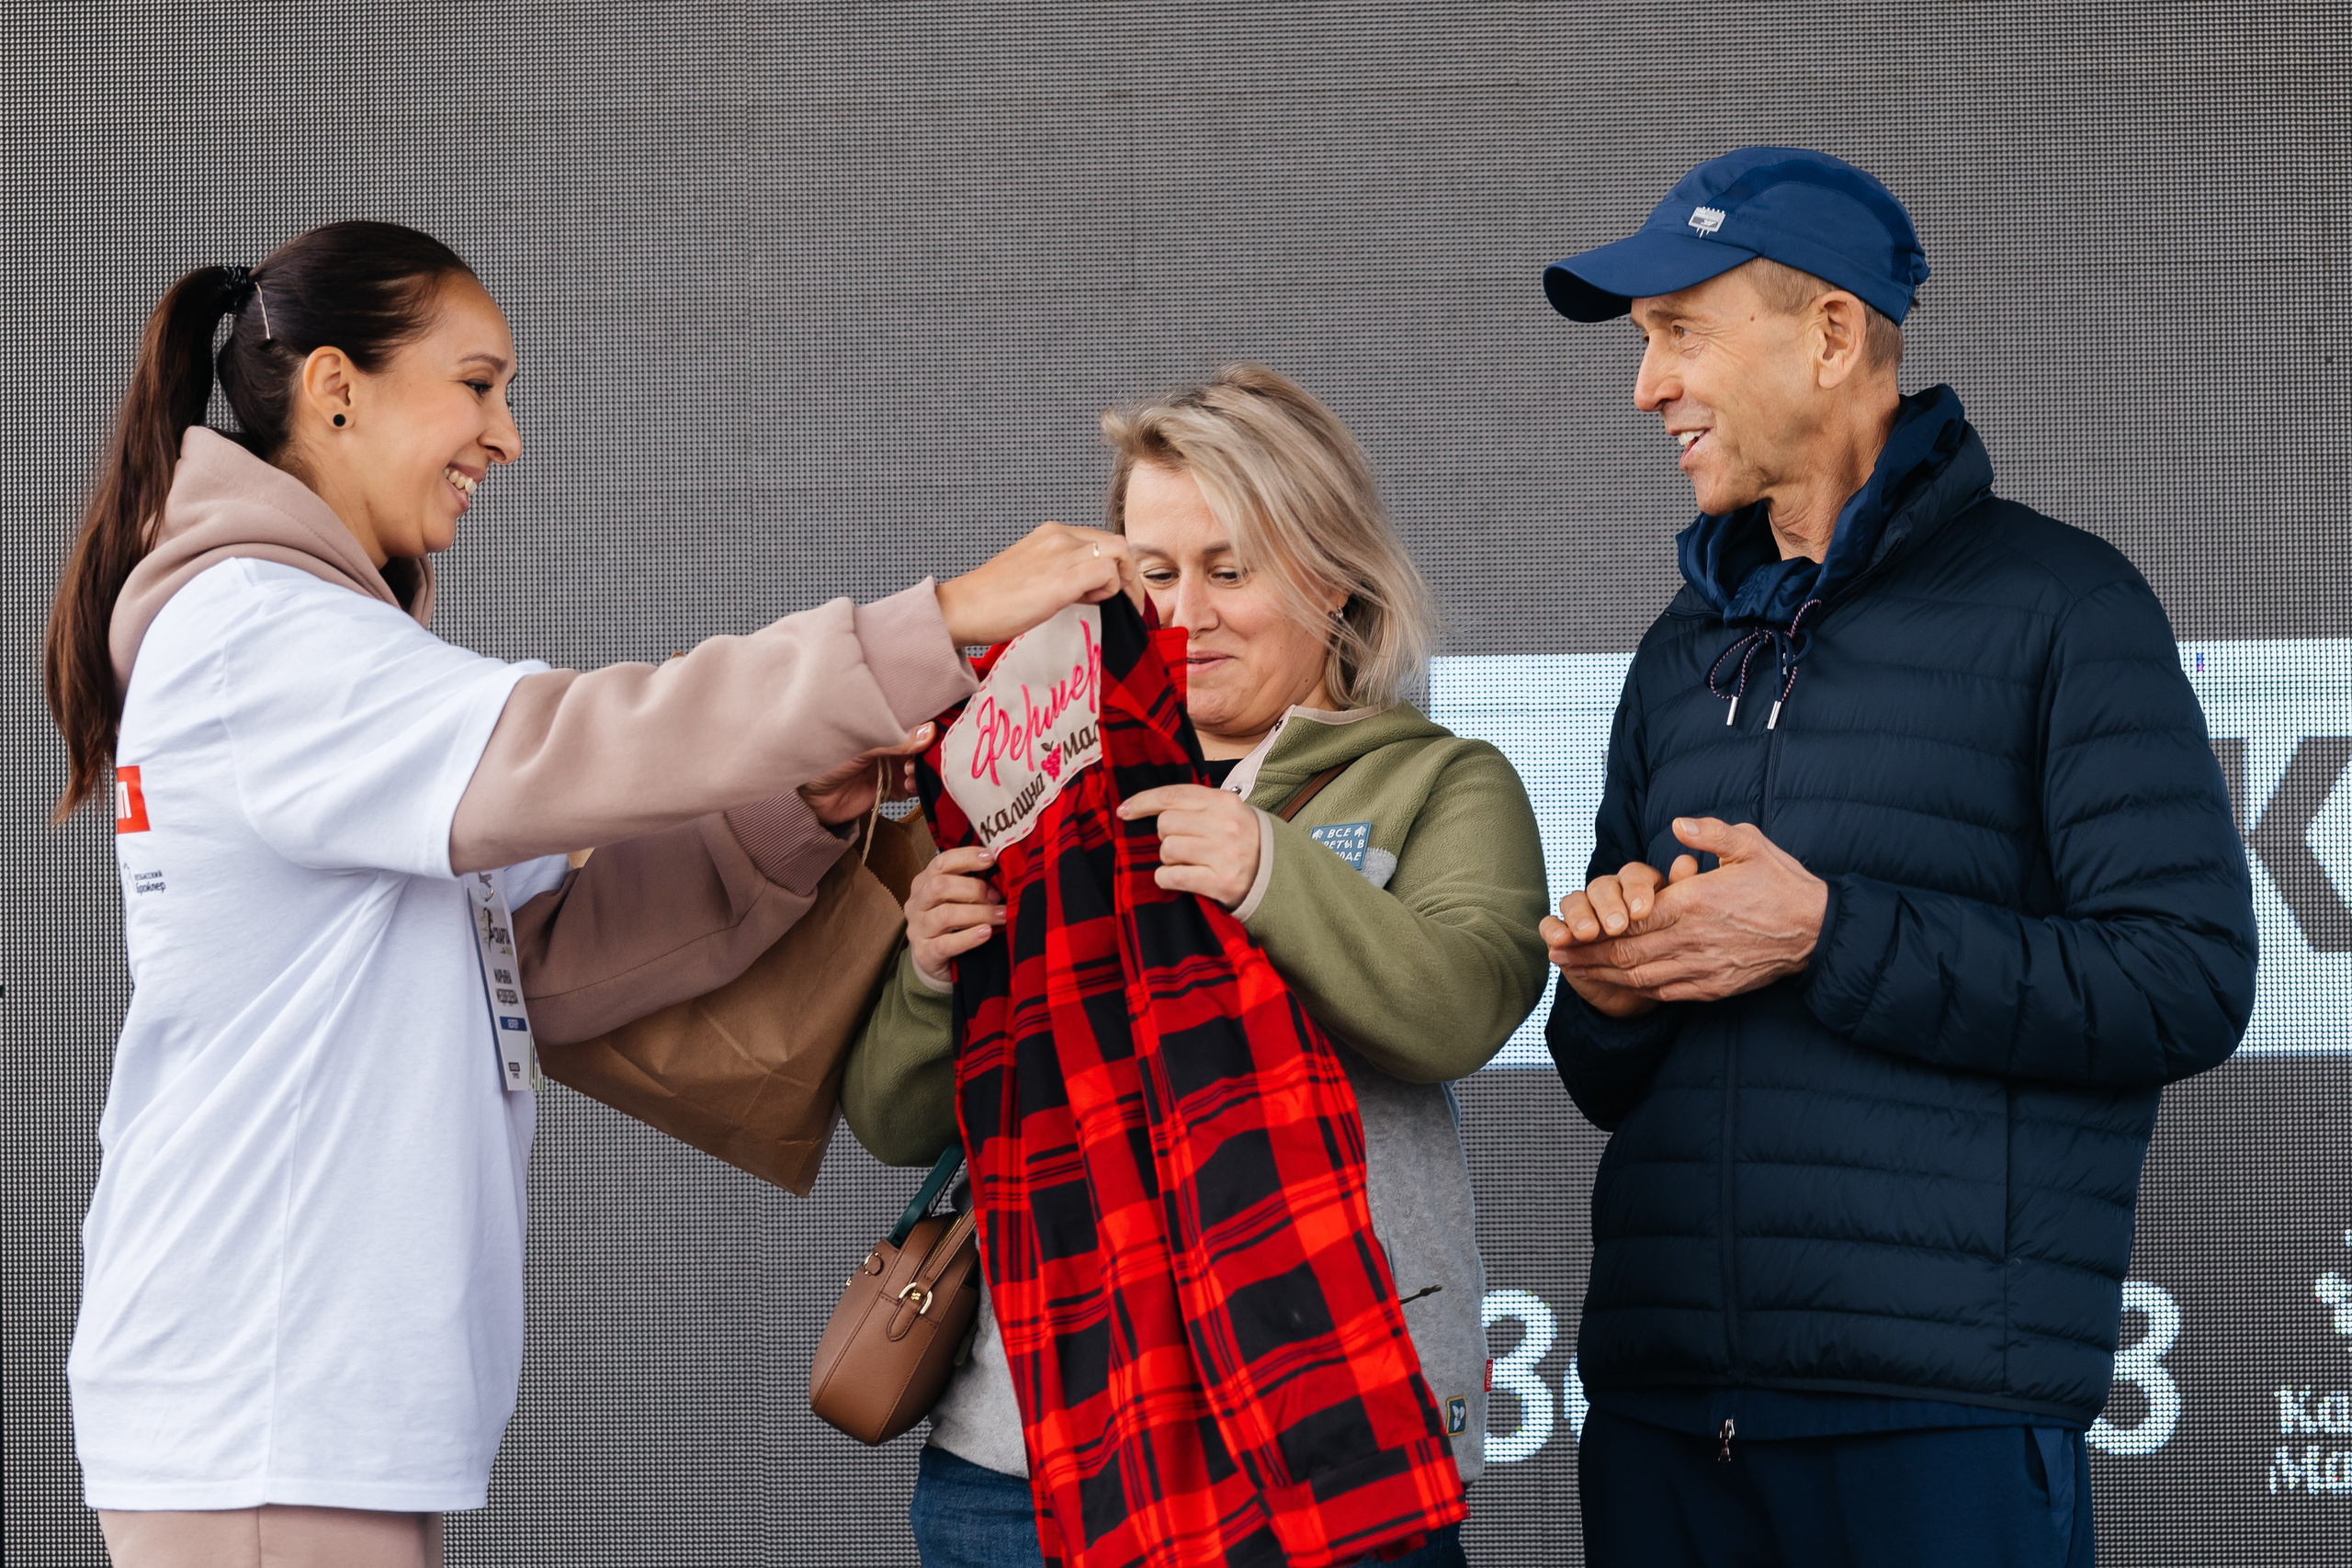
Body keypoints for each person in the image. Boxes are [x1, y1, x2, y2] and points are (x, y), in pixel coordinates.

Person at [46, 220, 1133, 1568]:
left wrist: (801, 806)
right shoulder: (264, 639)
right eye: (478, 382)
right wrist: (940, 621)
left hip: (299, 1394)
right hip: (269, 1386)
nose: (506, 436)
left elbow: (550, 957)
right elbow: (586, 741)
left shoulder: (314, 648)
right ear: (334, 387)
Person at [1535, 149, 2258, 1567]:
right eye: (1642, 347)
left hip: (1934, 1429)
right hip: (1665, 1422)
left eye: (1680, 334)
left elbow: (2185, 981)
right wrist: (1612, 993)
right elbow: (1597, 1075)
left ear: (1830, 333)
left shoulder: (2067, 606)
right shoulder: (1680, 652)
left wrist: (1827, 933)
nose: (1646, 388)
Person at [842, 364, 1551, 1567]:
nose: (1185, 615)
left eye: (1232, 570)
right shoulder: (1030, 797)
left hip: (1323, 1441)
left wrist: (1268, 870)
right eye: (1152, 575)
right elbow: (893, 1124)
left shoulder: (1441, 779)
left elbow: (1459, 1012)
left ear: (1334, 576)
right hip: (1029, 1460)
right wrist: (927, 973)